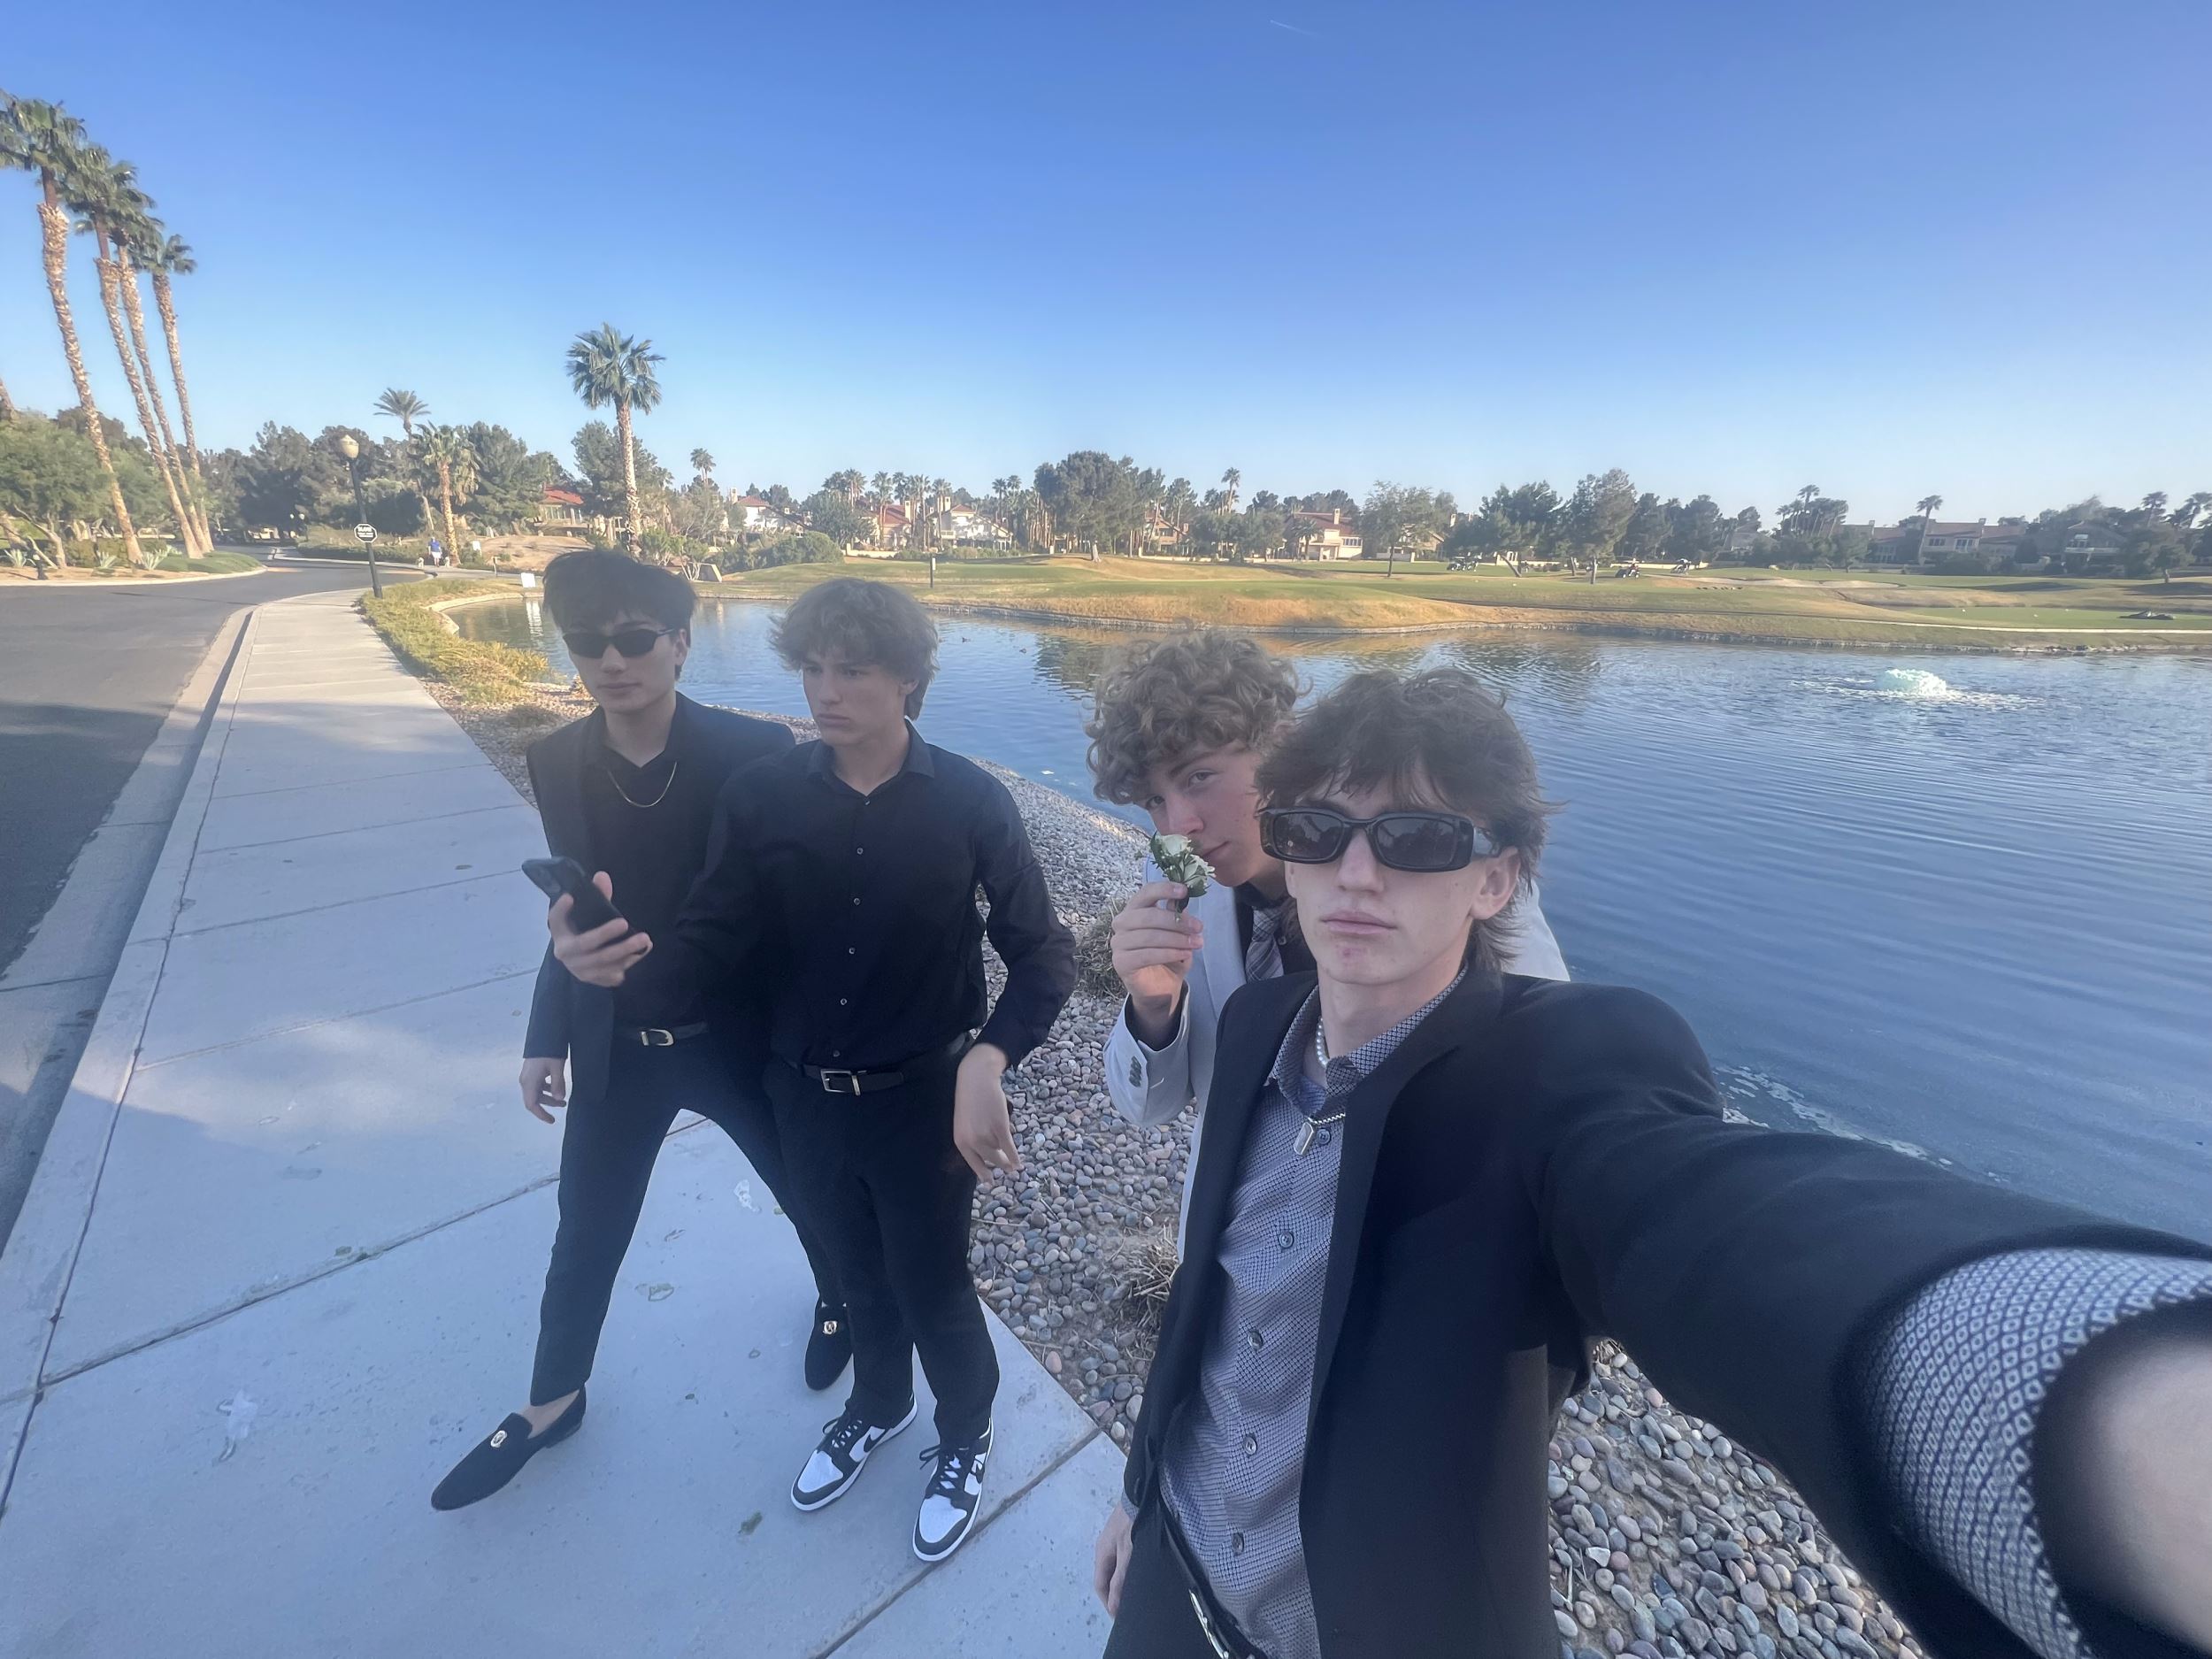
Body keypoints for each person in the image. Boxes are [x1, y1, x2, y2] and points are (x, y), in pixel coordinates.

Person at [1093, 667, 2212, 1659]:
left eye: (1417, 840)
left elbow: (1699, 1209)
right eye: (1317, 832)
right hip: (1176, 1567)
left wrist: (2084, 1389)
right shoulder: (1254, 1023)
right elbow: (1208, 1303)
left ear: (1496, 881)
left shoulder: (1558, 1068)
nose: (1355, 874)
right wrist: (1142, 1494)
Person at [553, 577, 1077, 1564]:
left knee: (931, 1284)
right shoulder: (762, 797)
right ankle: (877, 1405)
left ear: (909, 678)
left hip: (923, 1102)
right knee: (850, 1273)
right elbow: (711, 939)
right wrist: (613, 967)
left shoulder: (971, 801)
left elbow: (1043, 953)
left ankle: (964, 1434)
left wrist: (989, 1056)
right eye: (811, 668)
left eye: (853, 671)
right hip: (800, 1097)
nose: (824, 692)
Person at [430, 549, 847, 1512]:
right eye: (588, 642)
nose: (611, 660)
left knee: (809, 1195)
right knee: (587, 1224)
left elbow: (796, 906)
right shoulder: (556, 760)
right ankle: (553, 1398)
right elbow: (574, 917)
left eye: (634, 639)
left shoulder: (756, 752)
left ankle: (841, 1303)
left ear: (681, 644)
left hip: (736, 1040)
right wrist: (546, 1032)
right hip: (618, 1045)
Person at [1085, 631, 1567, 1239]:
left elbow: (1547, 1061)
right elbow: (1147, 1106)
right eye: (1155, 799)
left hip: (1398, 1231)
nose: (1180, 824)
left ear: (1282, 746)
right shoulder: (1173, 882)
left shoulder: (1452, 880)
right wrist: (1153, 1009)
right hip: (1228, 1236)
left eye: (1200, 776)